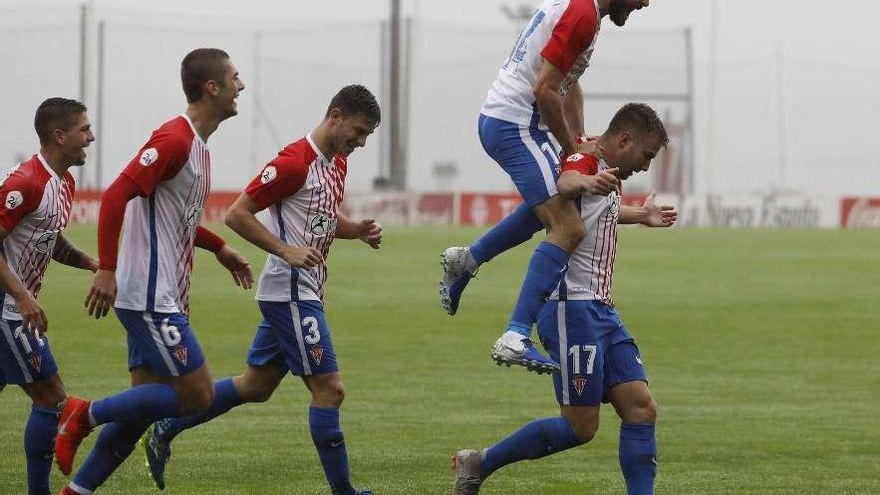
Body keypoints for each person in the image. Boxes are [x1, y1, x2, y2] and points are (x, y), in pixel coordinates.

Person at [139, 84, 381, 495]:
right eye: (357, 131)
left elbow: (320, 217)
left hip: (303, 290)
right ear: (335, 115)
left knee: (256, 385)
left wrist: (354, 230)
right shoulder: (293, 162)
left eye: (366, 136)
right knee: (330, 389)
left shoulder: (336, 164)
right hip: (289, 292)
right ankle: (345, 491)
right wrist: (286, 251)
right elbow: (237, 214)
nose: (359, 142)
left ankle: (167, 426)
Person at [54, 48, 253, 495]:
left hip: (162, 294)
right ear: (212, 87)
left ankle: (75, 491)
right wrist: (107, 268)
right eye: (236, 77)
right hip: (148, 295)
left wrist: (219, 246)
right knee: (197, 396)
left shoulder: (199, 149)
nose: (243, 85)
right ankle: (81, 414)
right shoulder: (173, 139)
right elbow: (114, 196)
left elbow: (176, 218)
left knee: (140, 409)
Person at [450, 103, 674, 495]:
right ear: (624, 140)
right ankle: (478, 463)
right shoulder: (585, 157)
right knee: (579, 426)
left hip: (601, 309)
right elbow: (567, 182)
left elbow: (597, 210)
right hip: (570, 309)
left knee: (641, 408)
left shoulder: (609, 175)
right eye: (646, 155)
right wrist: (586, 182)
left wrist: (641, 215)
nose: (645, 165)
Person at [439, 0, 651, 374]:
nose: (646, 3)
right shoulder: (583, 14)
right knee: (568, 226)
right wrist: (572, 152)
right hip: (516, 124)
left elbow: (569, 84)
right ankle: (515, 335)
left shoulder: (587, 13)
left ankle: (467, 260)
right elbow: (545, 90)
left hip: (513, 121)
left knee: (556, 206)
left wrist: (580, 139)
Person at [0, 97, 98, 495]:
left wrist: (94, 264)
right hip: (8, 309)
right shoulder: (25, 183)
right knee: (53, 399)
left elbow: (49, 240)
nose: (91, 137)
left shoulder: (64, 183)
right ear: (60, 136)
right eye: (84, 129)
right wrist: (23, 297)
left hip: (13, 305)